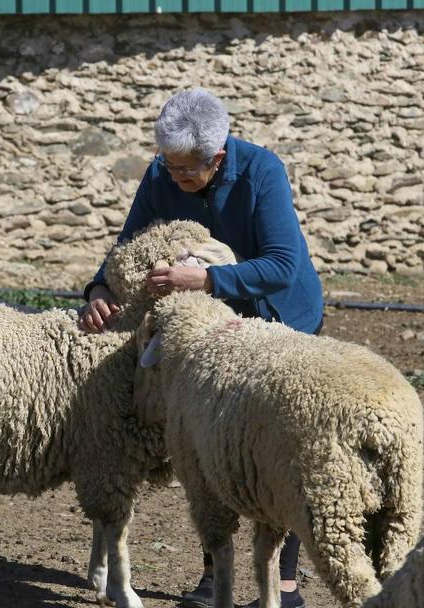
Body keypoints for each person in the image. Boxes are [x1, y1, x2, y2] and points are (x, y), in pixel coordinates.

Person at [78, 88, 324, 608]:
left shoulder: (262, 172)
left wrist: (207, 279)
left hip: (280, 320)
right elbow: (132, 244)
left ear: (217, 157)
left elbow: (283, 265)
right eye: (170, 166)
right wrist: (99, 287)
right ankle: (216, 575)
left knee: (276, 448)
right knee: (207, 449)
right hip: (210, 331)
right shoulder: (160, 173)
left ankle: (283, 586)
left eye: (188, 170)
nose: (176, 177)